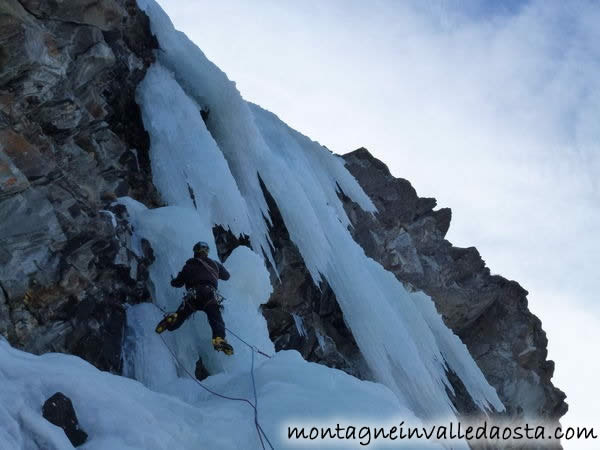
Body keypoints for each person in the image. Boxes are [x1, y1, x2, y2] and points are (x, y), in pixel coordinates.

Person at [155, 241, 234, 355]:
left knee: (182, 314)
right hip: (209, 294)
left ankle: (172, 320)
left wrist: (173, 280)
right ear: (207, 251)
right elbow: (226, 276)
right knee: (215, 318)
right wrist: (217, 272)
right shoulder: (215, 264)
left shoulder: (189, 265)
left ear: (195, 251)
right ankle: (219, 339)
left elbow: (177, 283)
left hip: (193, 295)